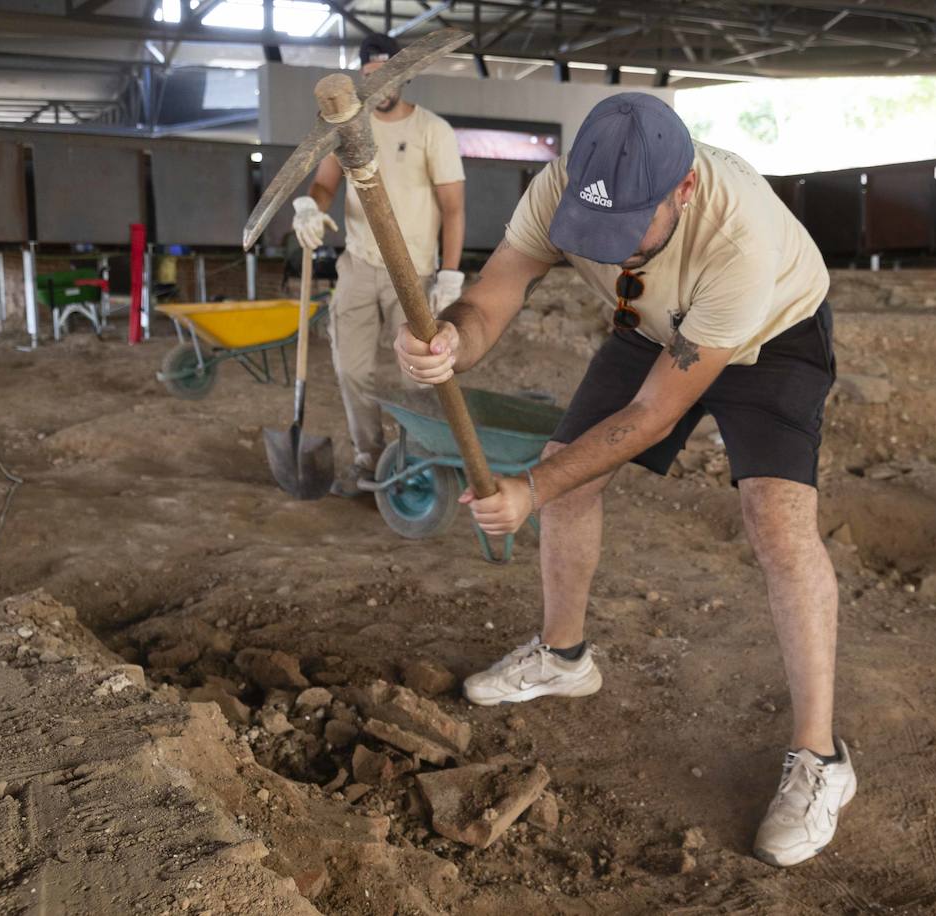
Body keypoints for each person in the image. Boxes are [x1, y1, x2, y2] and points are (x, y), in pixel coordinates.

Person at [394, 93, 851, 867]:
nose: (612, 247)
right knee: (574, 479)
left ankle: (821, 761)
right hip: (654, 324)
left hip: (772, 334)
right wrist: (451, 341)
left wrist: (530, 488)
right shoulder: (567, 187)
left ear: (684, 191)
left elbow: (650, 416)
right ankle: (564, 658)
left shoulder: (739, 235)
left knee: (776, 519)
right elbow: (498, 289)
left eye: (629, 229)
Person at [291, 32, 467, 496]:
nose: (379, 86)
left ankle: (423, 460)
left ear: (404, 75)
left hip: (412, 271)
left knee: (422, 372)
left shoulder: (433, 131)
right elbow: (326, 185)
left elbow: (453, 208)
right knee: (351, 367)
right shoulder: (347, 129)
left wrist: (449, 274)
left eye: (387, 75)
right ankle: (369, 458)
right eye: (369, 77)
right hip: (359, 264)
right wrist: (310, 207)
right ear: (360, 79)